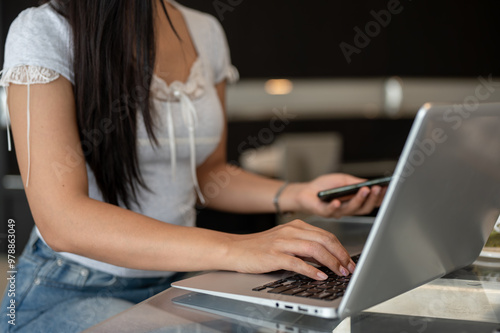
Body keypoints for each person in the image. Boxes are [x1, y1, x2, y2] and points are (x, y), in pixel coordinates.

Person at [0, 0, 385, 331]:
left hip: (180, 278)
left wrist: (300, 194)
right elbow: (62, 220)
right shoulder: (42, 30)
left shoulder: (206, 31)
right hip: (70, 288)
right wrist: (237, 249)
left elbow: (208, 173)